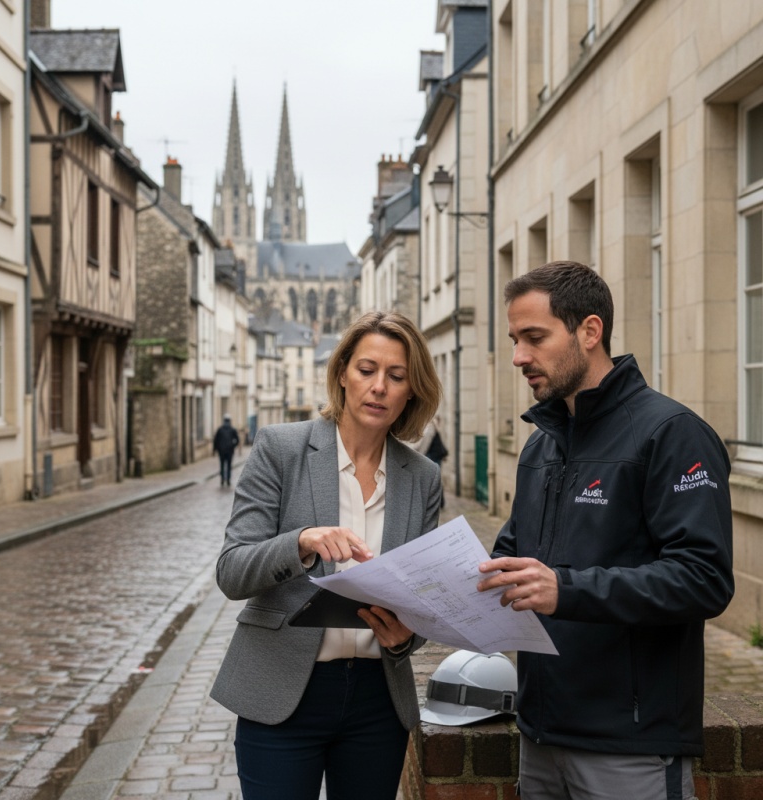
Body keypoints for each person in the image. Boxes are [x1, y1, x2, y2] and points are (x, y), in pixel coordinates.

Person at [476, 261, 734, 799]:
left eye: (534, 337)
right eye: (514, 340)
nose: (519, 356)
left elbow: (703, 578)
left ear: (589, 331)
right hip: (540, 737)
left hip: (630, 746)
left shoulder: (672, 434)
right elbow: (513, 559)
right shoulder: (541, 444)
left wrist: (565, 590)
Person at [210, 310, 443, 800]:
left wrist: (406, 638)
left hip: (377, 701)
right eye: (366, 370)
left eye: (396, 376)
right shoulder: (281, 449)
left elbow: (423, 599)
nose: (379, 386)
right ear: (342, 373)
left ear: (411, 390)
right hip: (282, 692)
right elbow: (232, 572)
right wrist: (300, 544)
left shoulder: (422, 478)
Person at [213, 414, 240, 486]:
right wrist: (233, 446)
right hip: (229, 451)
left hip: (222, 451)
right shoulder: (232, 429)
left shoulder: (220, 429)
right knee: (228, 466)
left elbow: (215, 440)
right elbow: (237, 440)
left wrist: (215, 449)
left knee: (222, 465)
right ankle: (227, 479)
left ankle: (222, 479)